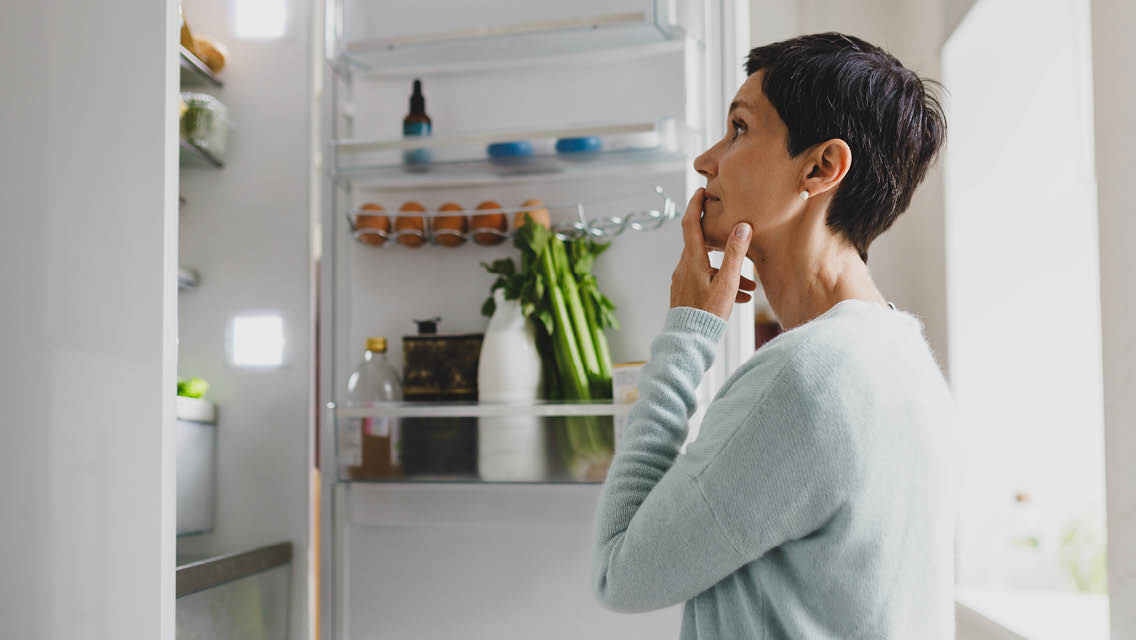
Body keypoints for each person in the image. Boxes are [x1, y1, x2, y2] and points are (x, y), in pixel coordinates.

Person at [591, 32, 960, 638]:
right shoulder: (904, 356)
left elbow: (618, 571)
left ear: (820, 168)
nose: (705, 161)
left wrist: (688, 332)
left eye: (739, 128)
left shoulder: (806, 378)